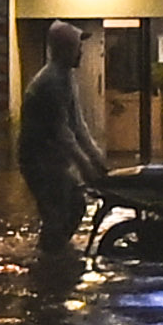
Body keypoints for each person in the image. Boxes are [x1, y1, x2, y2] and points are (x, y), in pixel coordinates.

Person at [18, 20, 108, 251]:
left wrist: (96, 159)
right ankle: (50, 260)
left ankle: (53, 252)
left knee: (74, 205)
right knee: (57, 211)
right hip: (39, 161)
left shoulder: (65, 78)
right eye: (78, 47)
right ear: (65, 49)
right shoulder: (50, 83)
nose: (81, 52)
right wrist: (87, 166)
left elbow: (78, 125)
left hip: (52, 160)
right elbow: (63, 133)